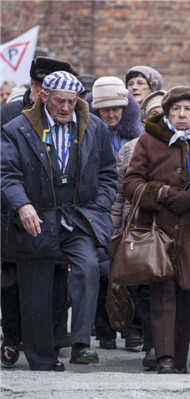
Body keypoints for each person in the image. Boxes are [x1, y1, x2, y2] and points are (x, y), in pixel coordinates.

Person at [1, 71, 118, 370]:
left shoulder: (95, 128)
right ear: (43, 97)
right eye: (59, 101)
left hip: (78, 216)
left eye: (71, 101)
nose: (66, 107)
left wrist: (100, 207)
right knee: (37, 288)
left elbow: (108, 174)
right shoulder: (17, 129)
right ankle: (42, 358)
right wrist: (22, 205)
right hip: (36, 217)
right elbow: (7, 173)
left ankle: (80, 343)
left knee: (88, 267)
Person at [123, 86, 190, 374]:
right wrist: (162, 193)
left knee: (188, 294)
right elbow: (131, 182)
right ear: (168, 112)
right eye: (176, 109)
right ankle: (164, 358)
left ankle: (179, 360)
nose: (182, 114)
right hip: (158, 230)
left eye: (188, 110)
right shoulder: (148, 140)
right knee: (162, 293)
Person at [0, 56, 75, 369]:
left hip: (56, 218)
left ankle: (50, 347)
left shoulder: (69, 116)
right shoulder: (9, 115)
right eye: (37, 86)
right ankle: (12, 338)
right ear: (33, 86)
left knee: (56, 284)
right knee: (14, 284)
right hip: (12, 215)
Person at [85, 76, 156, 367]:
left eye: (116, 109)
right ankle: (104, 329)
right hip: (96, 206)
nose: (111, 115)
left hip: (125, 206)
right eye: (105, 110)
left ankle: (132, 330)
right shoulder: (88, 134)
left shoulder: (134, 138)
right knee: (102, 268)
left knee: (131, 268)